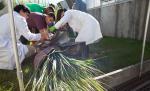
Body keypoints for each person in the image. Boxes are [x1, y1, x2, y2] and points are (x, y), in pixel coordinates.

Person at [0, 5, 47, 70]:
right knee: (34, 49)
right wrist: (42, 35)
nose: (27, 18)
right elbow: (29, 37)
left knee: (26, 45)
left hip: (2, 48)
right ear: (21, 11)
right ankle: (33, 65)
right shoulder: (19, 18)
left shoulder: (4, 16)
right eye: (27, 15)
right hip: (6, 48)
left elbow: (20, 38)